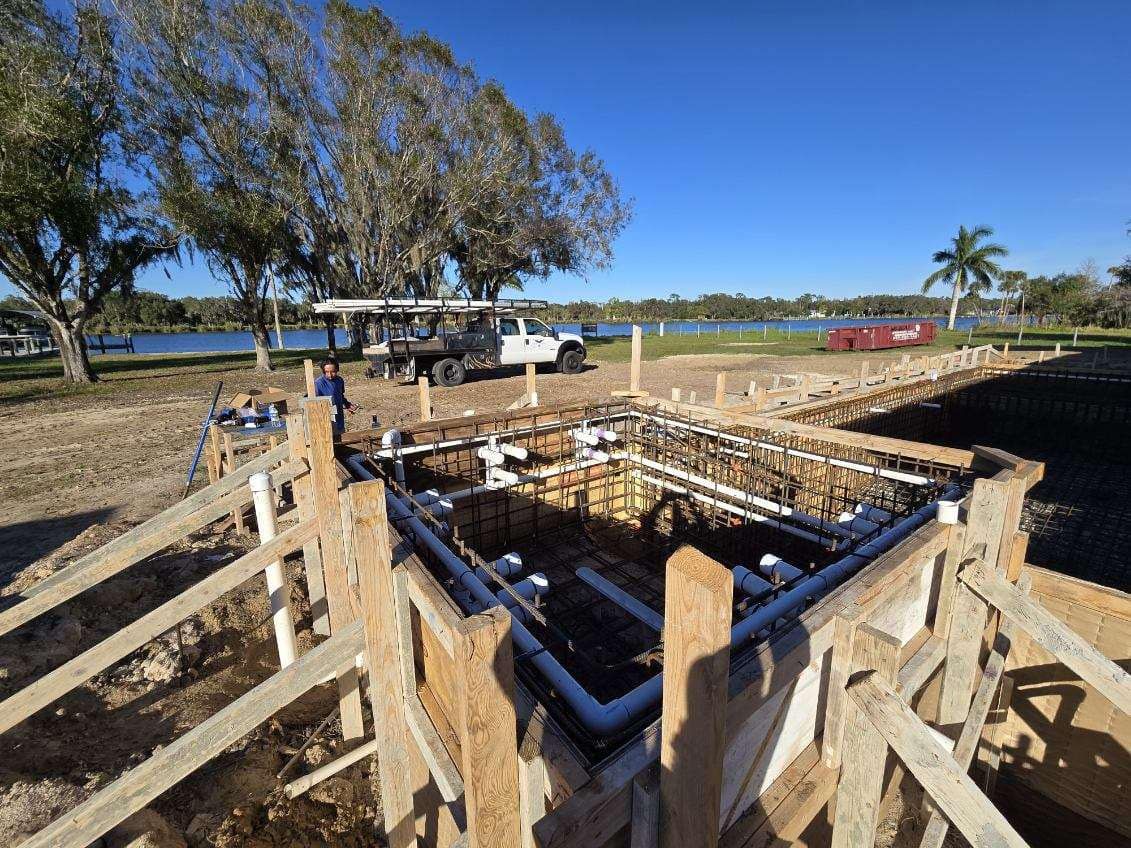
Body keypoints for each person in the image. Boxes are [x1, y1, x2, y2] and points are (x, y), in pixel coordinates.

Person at [314, 358, 357, 433]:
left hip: (339, 418)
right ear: (323, 371)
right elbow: (314, 403)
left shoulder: (339, 380)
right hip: (326, 420)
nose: (330, 375)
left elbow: (340, 395)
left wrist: (347, 405)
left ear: (337, 370)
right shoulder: (318, 383)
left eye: (333, 372)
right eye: (326, 372)